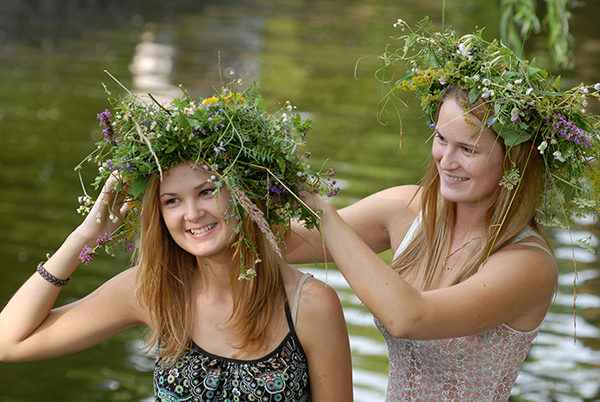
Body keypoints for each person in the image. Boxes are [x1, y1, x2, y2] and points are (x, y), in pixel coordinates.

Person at [287, 18, 600, 402]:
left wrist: (324, 212)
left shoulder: (527, 263)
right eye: (440, 139)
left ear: (514, 161)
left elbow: (407, 317)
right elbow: (284, 246)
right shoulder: (406, 209)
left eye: (467, 150)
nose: (445, 161)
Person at [0, 81, 353, 402]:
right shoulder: (155, 290)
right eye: (172, 200)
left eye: (207, 191)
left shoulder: (310, 305)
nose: (192, 214)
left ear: (246, 194)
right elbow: (9, 341)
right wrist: (85, 237)